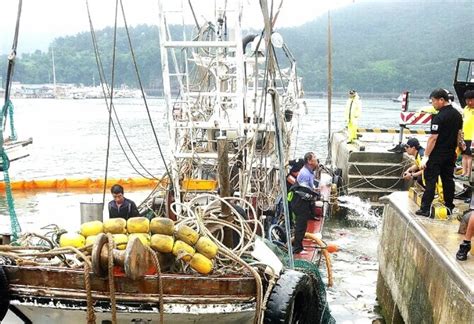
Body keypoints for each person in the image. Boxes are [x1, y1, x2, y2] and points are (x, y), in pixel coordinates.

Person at [416, 89, 463, 217]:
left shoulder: (439, 117)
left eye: (434, 101)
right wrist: (461, 146)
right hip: (450, 154)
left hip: (437, 154)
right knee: (448, 180)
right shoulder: (457, 115)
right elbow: (459, 133)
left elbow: (433, 138)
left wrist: (425, 156)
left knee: (431, 180)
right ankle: (449, 205)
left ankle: (425, 208)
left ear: (441, 100)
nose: (433, 105)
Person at [289, 152, 319, 254]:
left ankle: (299, 246)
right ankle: (297, 248)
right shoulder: (305, 173)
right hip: (299, 202)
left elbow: (310, 187)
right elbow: (303, 190)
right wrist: (314, 194)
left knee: (303, 224)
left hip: (303, 201)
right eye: (314, 157)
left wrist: (314, 191)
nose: (316, 159)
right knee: (300, 225)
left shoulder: (310, 172)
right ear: (309, 161)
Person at [403, 138, 444, 203]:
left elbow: (425, 169)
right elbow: (417, 165)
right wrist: (409, 170)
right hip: (430, 173)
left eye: (407, 147)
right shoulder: (418, 154)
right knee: (418, 177)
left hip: (435, 176)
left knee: (420, 177)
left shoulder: (421, 155)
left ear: (413, 148)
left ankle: (437, 196)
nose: (405, 149)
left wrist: (411, 175)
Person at [456, 90, 474, 181]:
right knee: (463, 155)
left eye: (471, 100)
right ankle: (463, 173)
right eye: (467, 100)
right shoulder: (466, 109)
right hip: (464, 136)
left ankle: (468, 174)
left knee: (469, 156)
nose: (469, 102)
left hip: (472, 137)